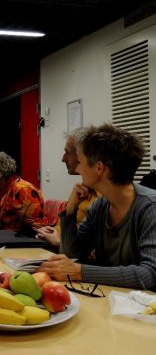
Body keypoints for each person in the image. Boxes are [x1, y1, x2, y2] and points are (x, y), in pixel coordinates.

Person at [38, 123, 156, 291]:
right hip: (110, 300)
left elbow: (150, 275)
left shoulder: (150, 207)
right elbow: (72, 255)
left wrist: (80, 272)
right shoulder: (100, 206)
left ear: (99, 168)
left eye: (81, 161)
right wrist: (70, 210)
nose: (78, 168)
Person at [35, 131, 98, 247]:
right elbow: (70, 230)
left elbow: (95, 248)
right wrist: (53, 232)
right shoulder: (81, 189)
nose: (63, 159)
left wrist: (60, 242)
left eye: (67, 153)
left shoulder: (105, 198)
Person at [0, 151, 48, 236]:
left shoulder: (23, 190)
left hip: (22, 243)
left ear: (0, 172)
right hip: (3, 238)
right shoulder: (2, 190)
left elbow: (37, 229)